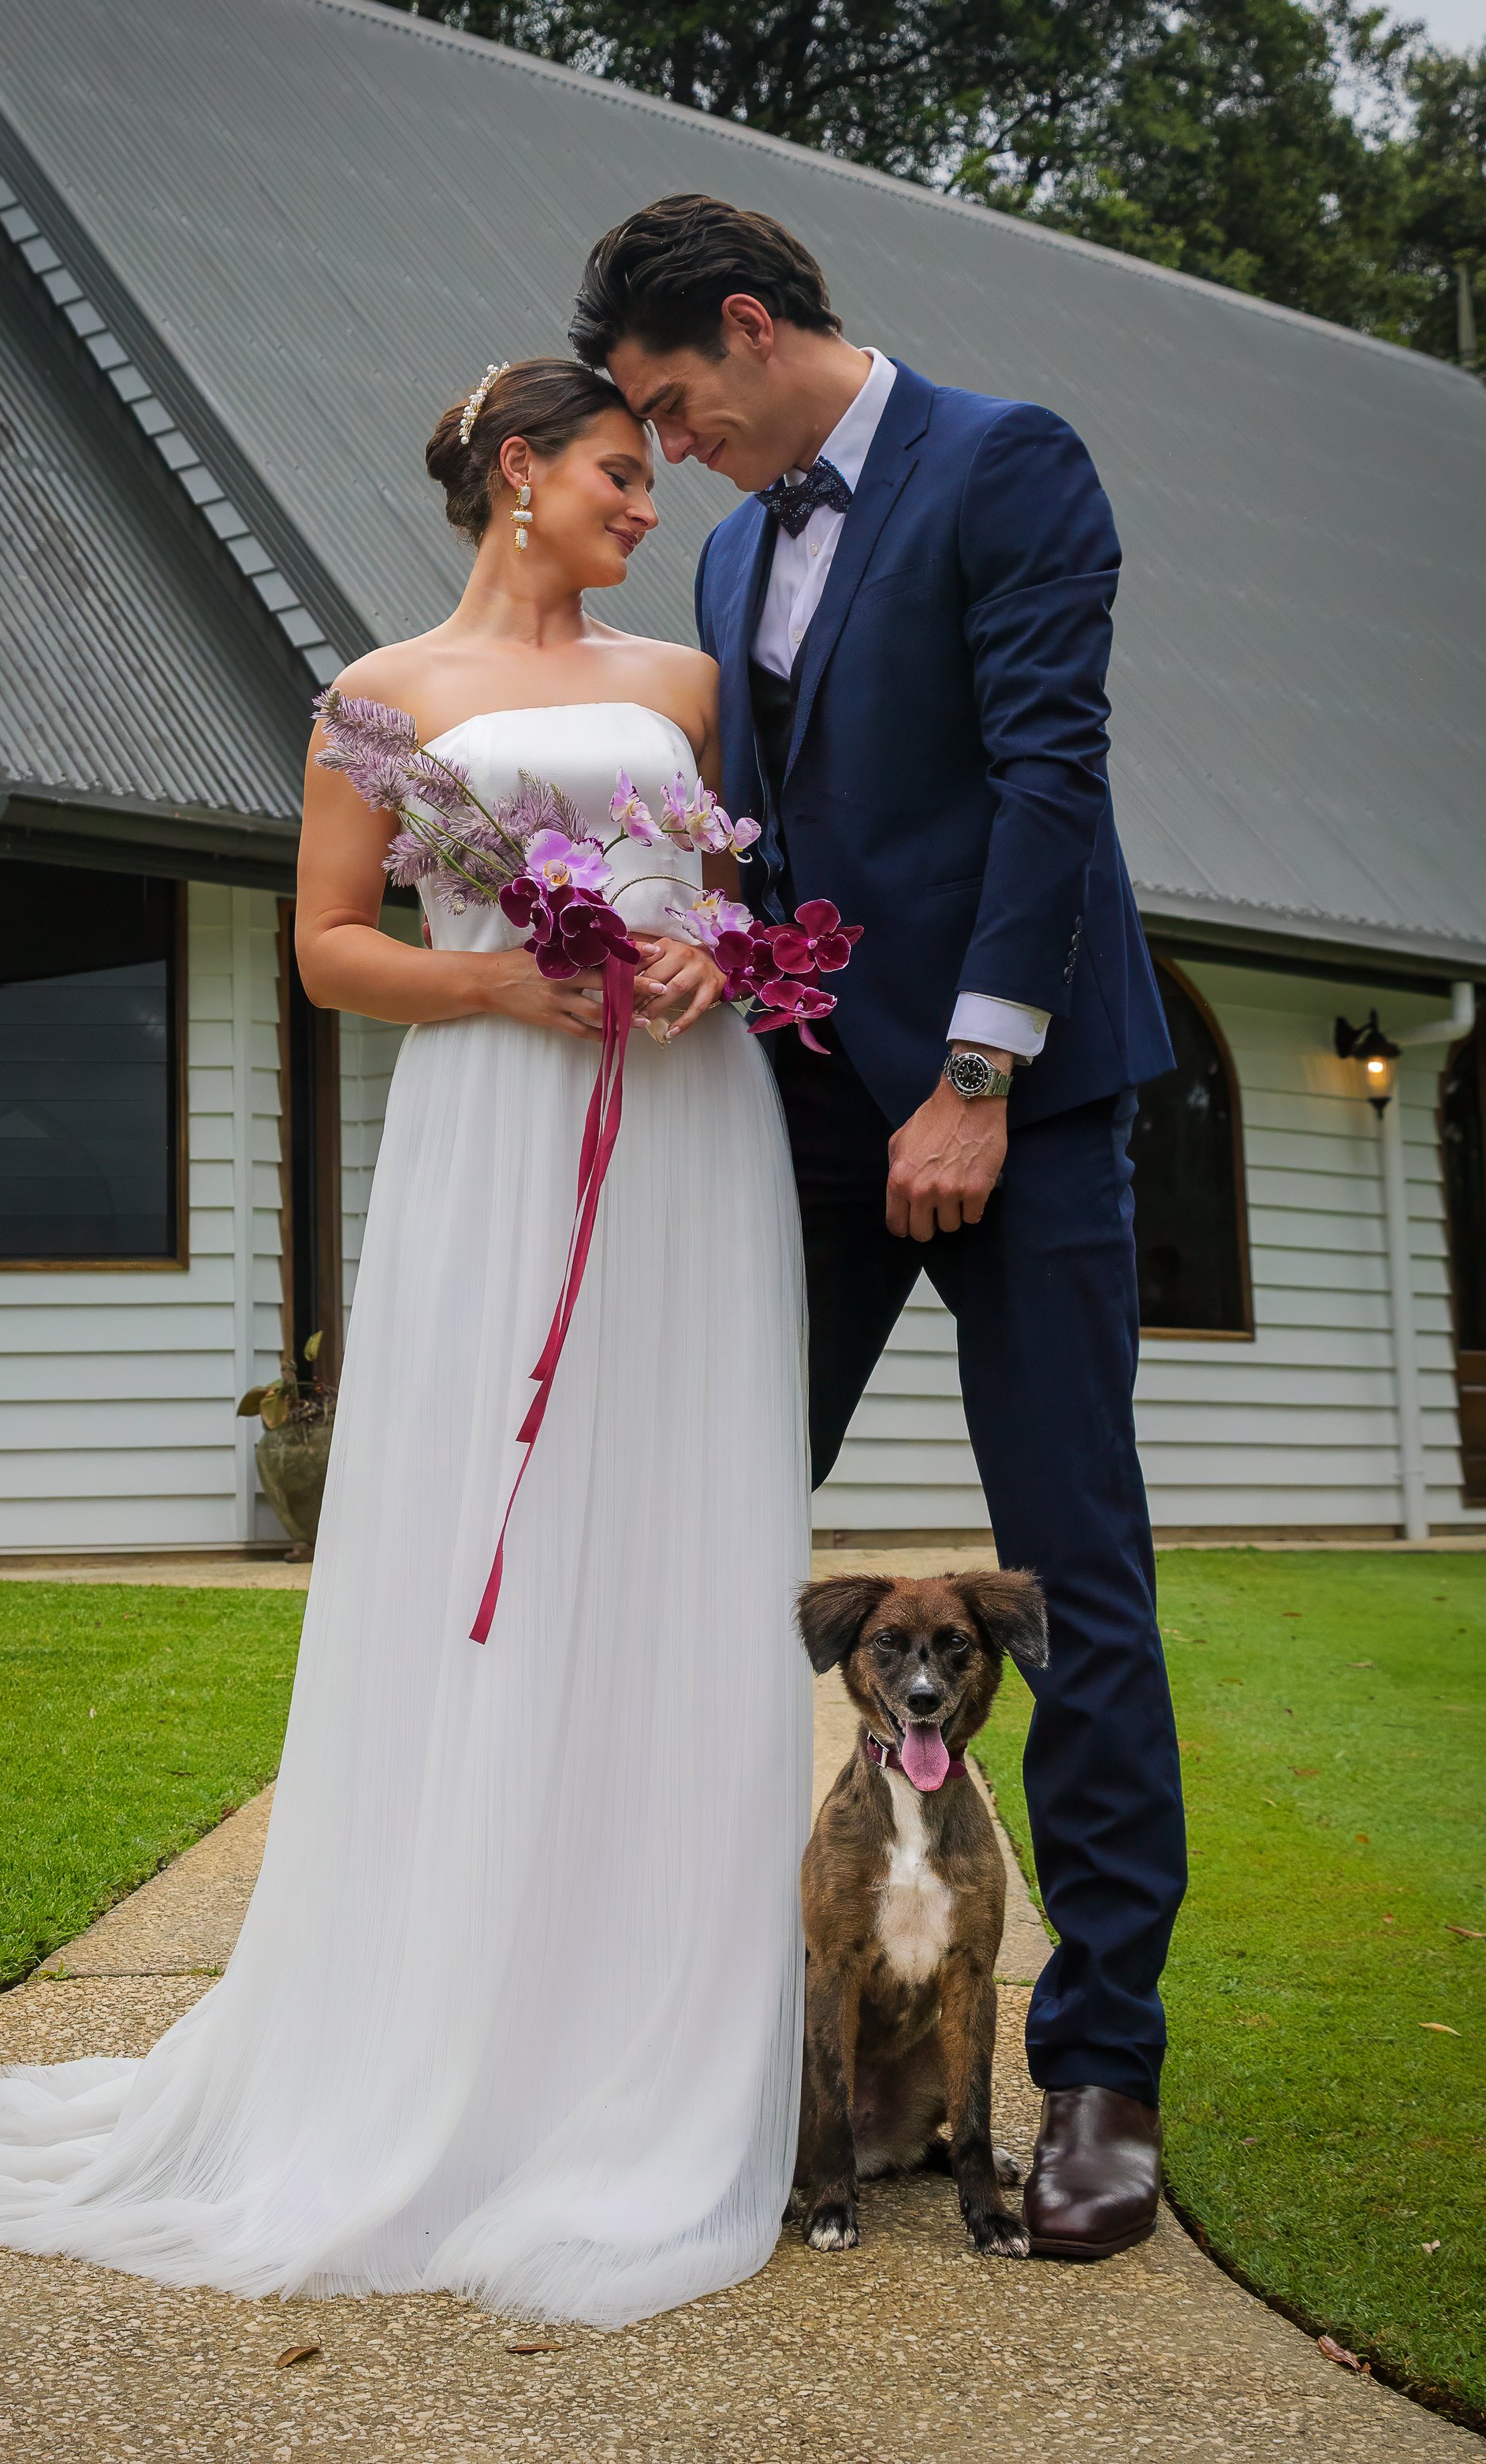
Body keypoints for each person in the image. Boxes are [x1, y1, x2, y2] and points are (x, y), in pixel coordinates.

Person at [0, 359, 813, 2328]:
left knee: (677, 1527)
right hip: (501, 1129)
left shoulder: (690, 687)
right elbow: (332, 945)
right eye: (615, 471)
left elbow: (747, 881)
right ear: (519, 472)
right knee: (482, 1560)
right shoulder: (378, 696)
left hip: (691, 1136)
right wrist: (510, 982)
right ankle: (448, 2035)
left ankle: (669, 2034)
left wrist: (701, 950)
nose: (644, 503)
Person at [572, 196, 1187, 2261]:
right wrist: (696, 962)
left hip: (1024, 1106)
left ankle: (1096, 2066)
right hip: (820, 1119)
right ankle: (696, 2033)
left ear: (751, 326)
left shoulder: (1007, 459)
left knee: (1073, 1574)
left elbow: (1044, 781)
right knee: (703, 1529)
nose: (679, 460)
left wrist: (979, 1074)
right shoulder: (742, 548)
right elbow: (775, 836)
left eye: (680, 405)